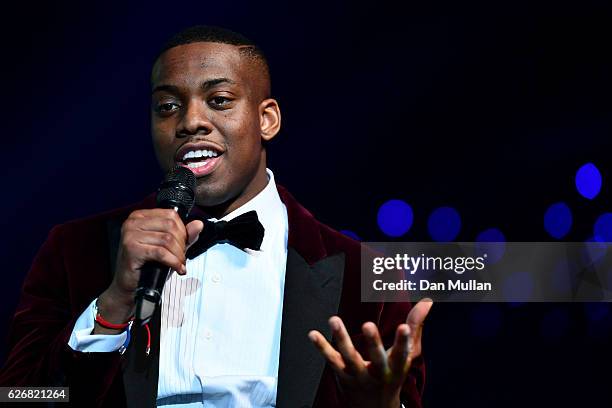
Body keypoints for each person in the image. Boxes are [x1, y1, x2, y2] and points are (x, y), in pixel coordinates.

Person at [0, 25, 432, 407]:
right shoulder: (74, 250)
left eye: (219, 100)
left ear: (267, 119)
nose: (190, 121)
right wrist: (112, 305)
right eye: (167, 106)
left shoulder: (366, 275)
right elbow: (20, 395)